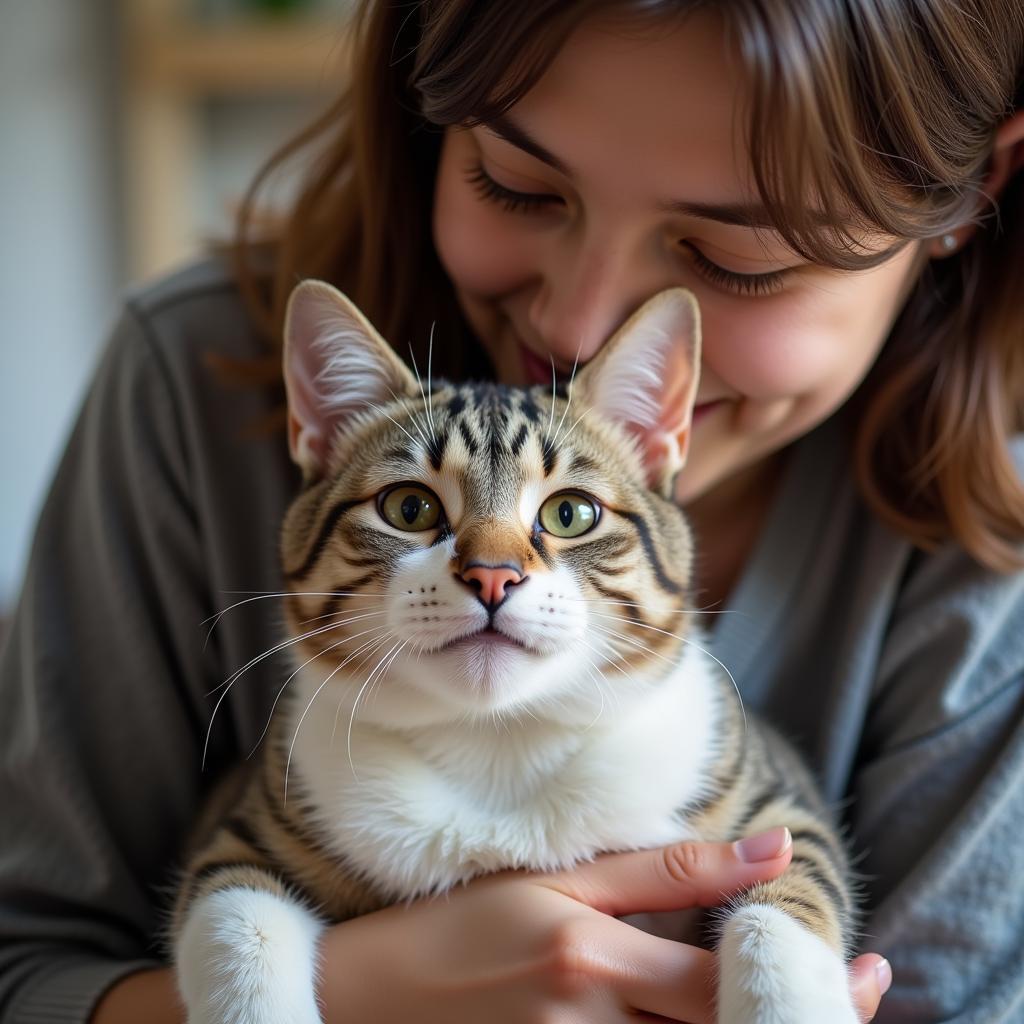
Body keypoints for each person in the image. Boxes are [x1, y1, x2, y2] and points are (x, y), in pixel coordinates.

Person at [2, 0, 1022, 1021]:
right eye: (518, 185)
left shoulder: (992, 536)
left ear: (973, 193)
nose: (580, 326)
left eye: (734, 257)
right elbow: (27, 963)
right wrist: (360, 995)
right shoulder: (187, 377)